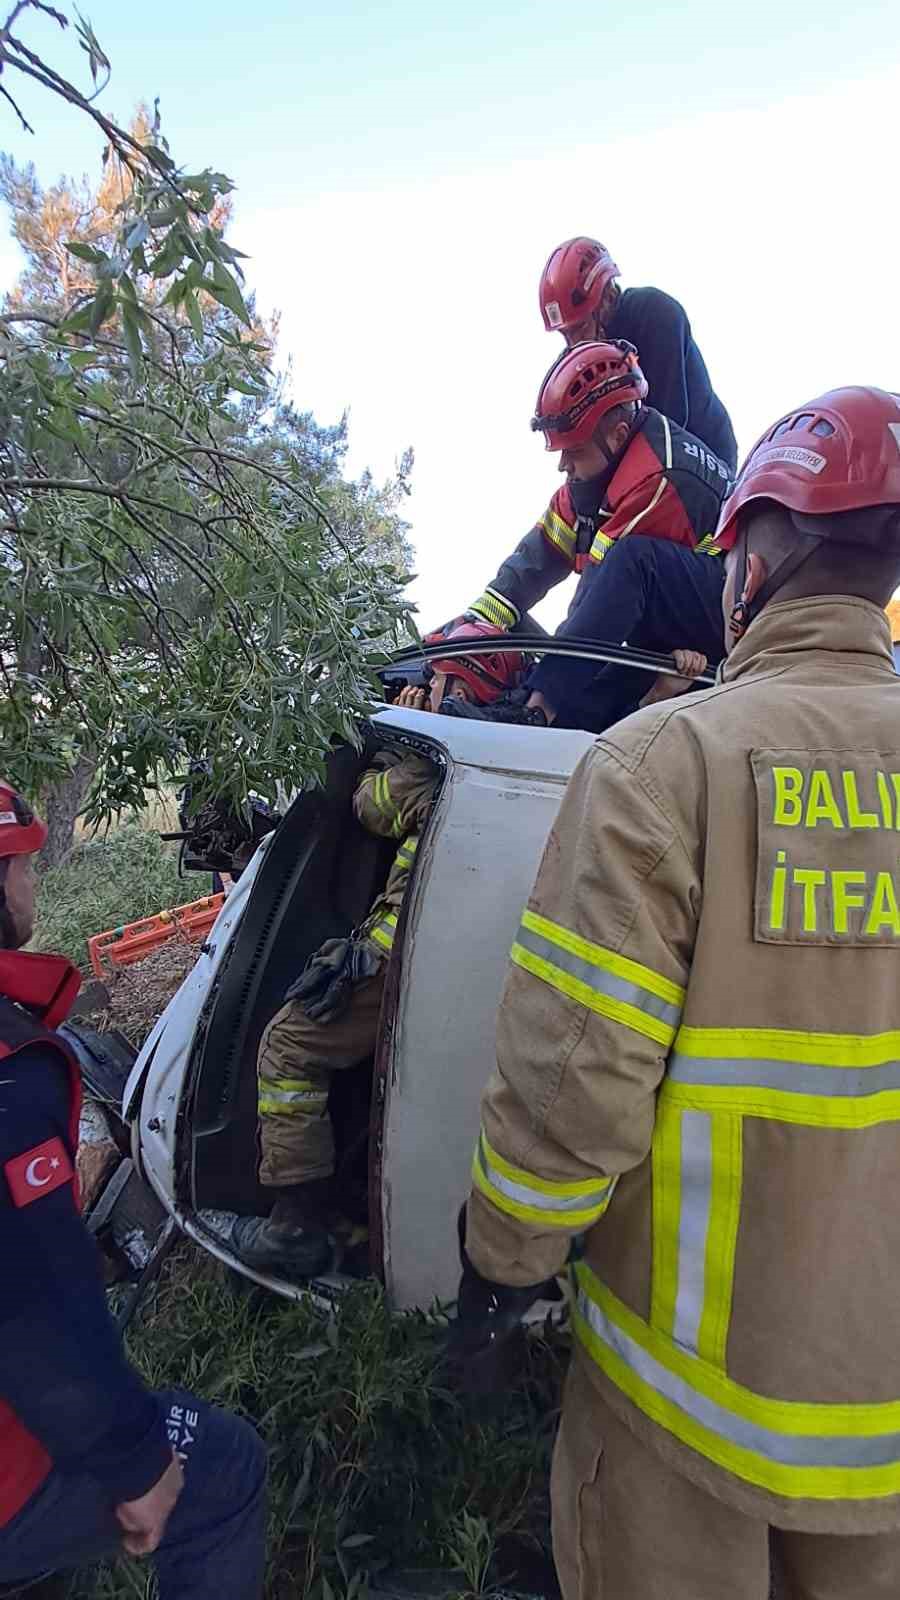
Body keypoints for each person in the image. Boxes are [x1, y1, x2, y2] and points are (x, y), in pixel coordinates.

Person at [454, 385, 900, 1598]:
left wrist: (498, 1271)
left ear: (752, 552)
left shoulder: (666, 768)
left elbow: (569, 1091)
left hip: (684, 1410)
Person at [0, 785, 267, 1598]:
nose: (31, 885)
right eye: (19, 866)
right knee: (223, 1467)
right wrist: (135, 1458)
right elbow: (32, 1307)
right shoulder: (13, 1075)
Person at [231, 621, 524, 1276]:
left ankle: (295, 1225)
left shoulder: (441, 763)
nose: (422, 688)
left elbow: (371, 808)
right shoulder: (511, 751)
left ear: (455, 684)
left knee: (286, 1047)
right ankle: (340, 1207)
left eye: (433, 679)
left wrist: (399, 746)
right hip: (427, 961)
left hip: (397, 960)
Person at [464, 340, 730, 731]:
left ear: (618, 435)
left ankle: (536, 712)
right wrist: (474, 626)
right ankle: (544, 714)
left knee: (628, 574)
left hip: (727, 609)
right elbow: (534, 561)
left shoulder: (662, 477)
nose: (561, 464)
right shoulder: (596, 476)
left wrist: (540, 696)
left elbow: (600, 597)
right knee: (598, 676)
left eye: (571, 450)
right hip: (671, 608)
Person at [539, 236, 737, 471]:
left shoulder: (655, 315)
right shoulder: (584, 361)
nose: (574, 344)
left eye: (580, 328)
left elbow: (669, 423)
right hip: (644, 453)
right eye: (565, 334)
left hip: (705, 453)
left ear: (608, 298)